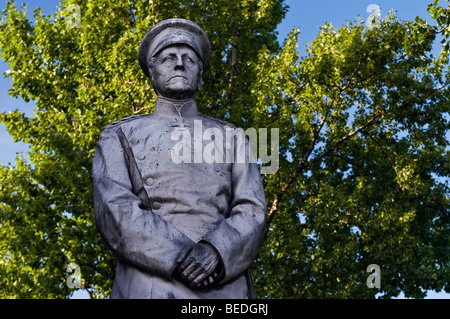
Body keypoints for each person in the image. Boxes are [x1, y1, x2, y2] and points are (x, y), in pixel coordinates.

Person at [93, 18, 267, 299]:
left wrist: (215, 251)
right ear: (152, 73)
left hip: (222, 281)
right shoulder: (119, 134)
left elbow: (253, 208)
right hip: (149, 279)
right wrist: (178, 255)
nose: (179, 64)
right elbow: (116, 209)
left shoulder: (233, 137)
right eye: (167, 58)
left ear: (200, 73)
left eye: (189, 58)